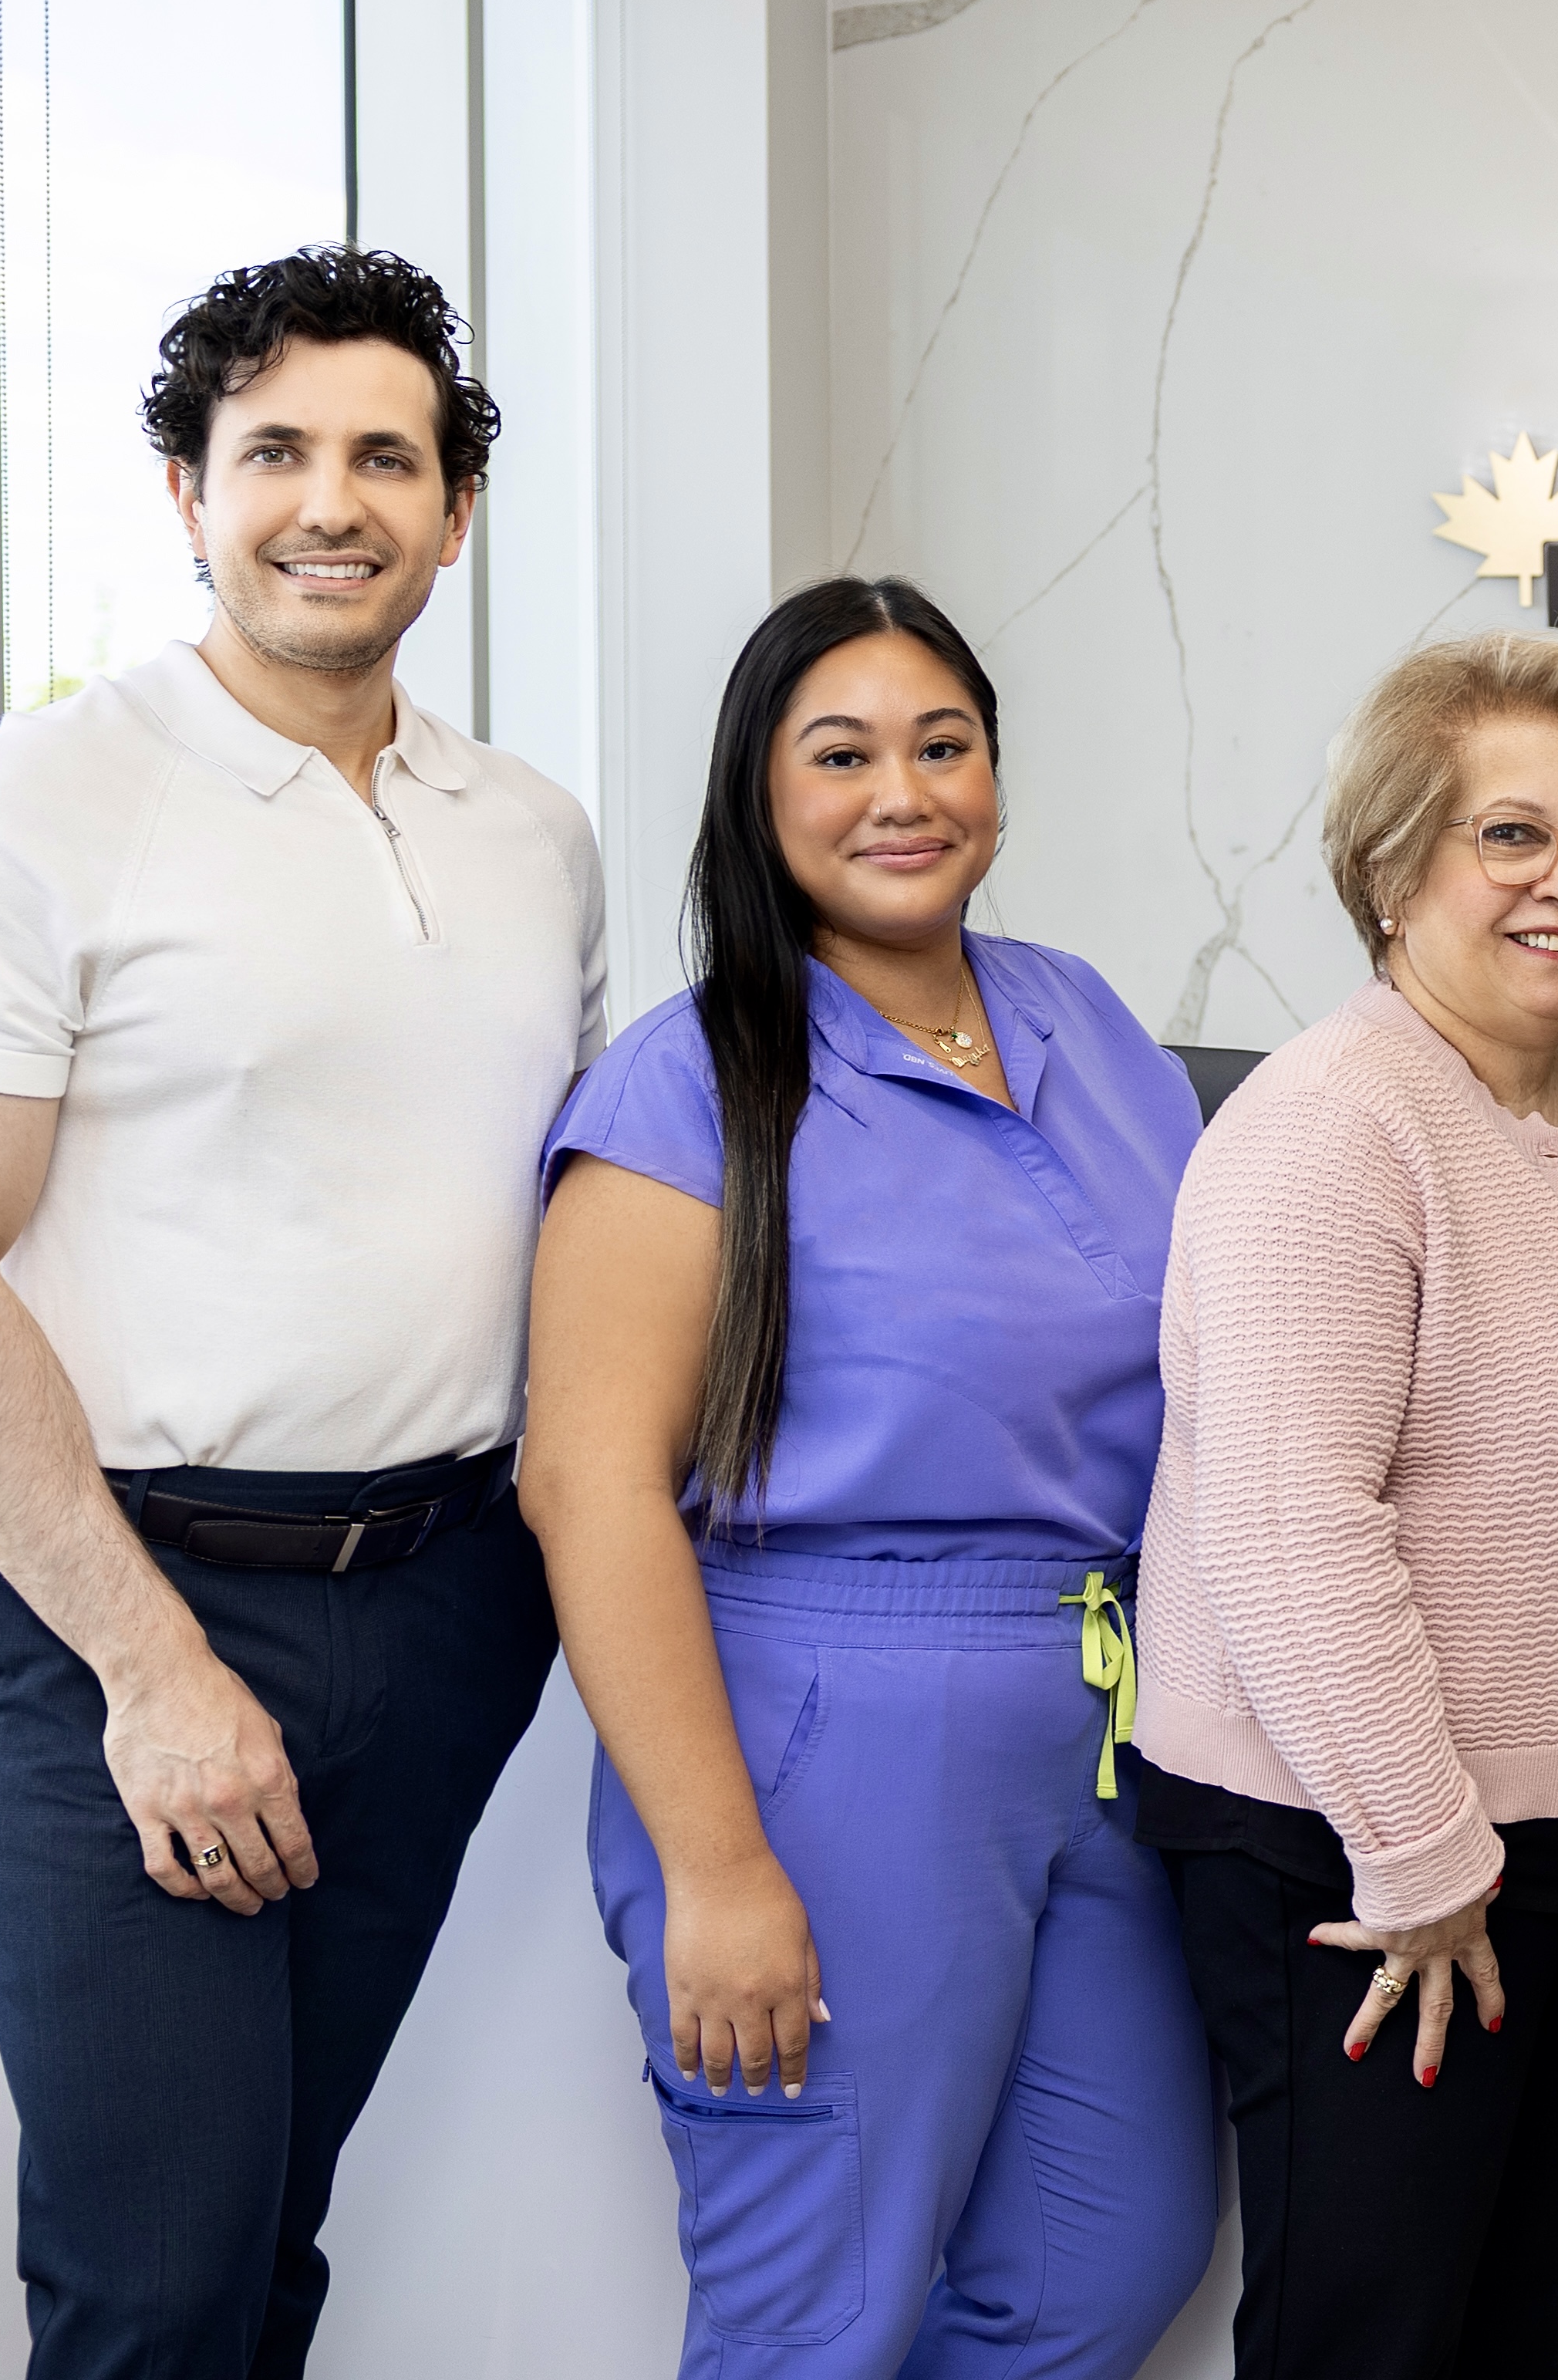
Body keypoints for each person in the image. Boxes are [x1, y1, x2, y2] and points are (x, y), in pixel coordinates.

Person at [0, 247, 599, 2378]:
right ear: (188, 493)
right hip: (122, 1612)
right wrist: (155, 1675)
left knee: (266, 2245)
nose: (327, 501)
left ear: (454, 515)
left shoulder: (533, 836)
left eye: (385, 455)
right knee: (151, 2285)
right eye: (272, 452)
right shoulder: (23, 813)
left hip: (441, 1612)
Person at [522, 577, 1222, 2378]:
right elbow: (587, 1481)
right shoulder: (691, 1085)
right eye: (840, 753)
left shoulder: (1092, 1027)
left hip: (1103, 1714)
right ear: (759, 793)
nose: (901, 791)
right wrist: (717, 1863)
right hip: (828, 1730)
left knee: (1105, 2260)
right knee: (813, 2317)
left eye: (943, 744)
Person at [1131, 634, 1558, 2380]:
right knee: (1367, 2348)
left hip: (1554, 1855)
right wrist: (1421, 1855)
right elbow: (1288, 1527)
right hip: (1368, 1865)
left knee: (1508, 2342)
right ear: (1395, 866)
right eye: (1514, 835)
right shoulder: (1333, 1123)